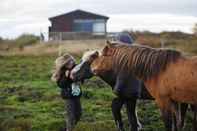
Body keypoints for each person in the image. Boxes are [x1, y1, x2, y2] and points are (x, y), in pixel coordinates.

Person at [51, 53, 82, 131]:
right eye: (69, 62)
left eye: (72, 61)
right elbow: (61, 84)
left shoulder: (76, 69)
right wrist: (66, 76)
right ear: (65, 64)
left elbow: (81, 78)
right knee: (71, 116)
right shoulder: (63, 72)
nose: (71, 63)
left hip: (76, 95)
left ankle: (67, 129)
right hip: (68, 97)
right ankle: (69, 129)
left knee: (78, 114)